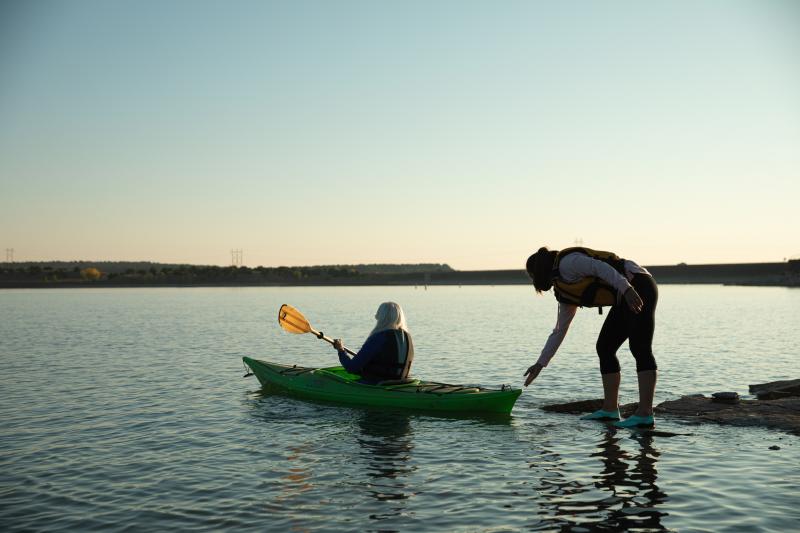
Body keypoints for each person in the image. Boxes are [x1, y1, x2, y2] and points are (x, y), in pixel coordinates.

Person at [522, 246, 658, 428]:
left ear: (539, 271)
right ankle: (610, 409)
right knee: (605, 347)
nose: (533, 281)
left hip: (638, 285)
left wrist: (627, 289)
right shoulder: (563, 288)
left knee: (640, 347)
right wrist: (540, 363)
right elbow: (559, 330)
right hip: (623, 294)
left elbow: (601, 268)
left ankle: (645, 414)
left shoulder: (569, 263)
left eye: (532, 276)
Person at [332, 302, 414, 384]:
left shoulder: (379, 338)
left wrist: (340, 350)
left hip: (377, 384)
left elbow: (351, 367)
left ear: (381, 318)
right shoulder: (407, 337)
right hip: (402, 382)